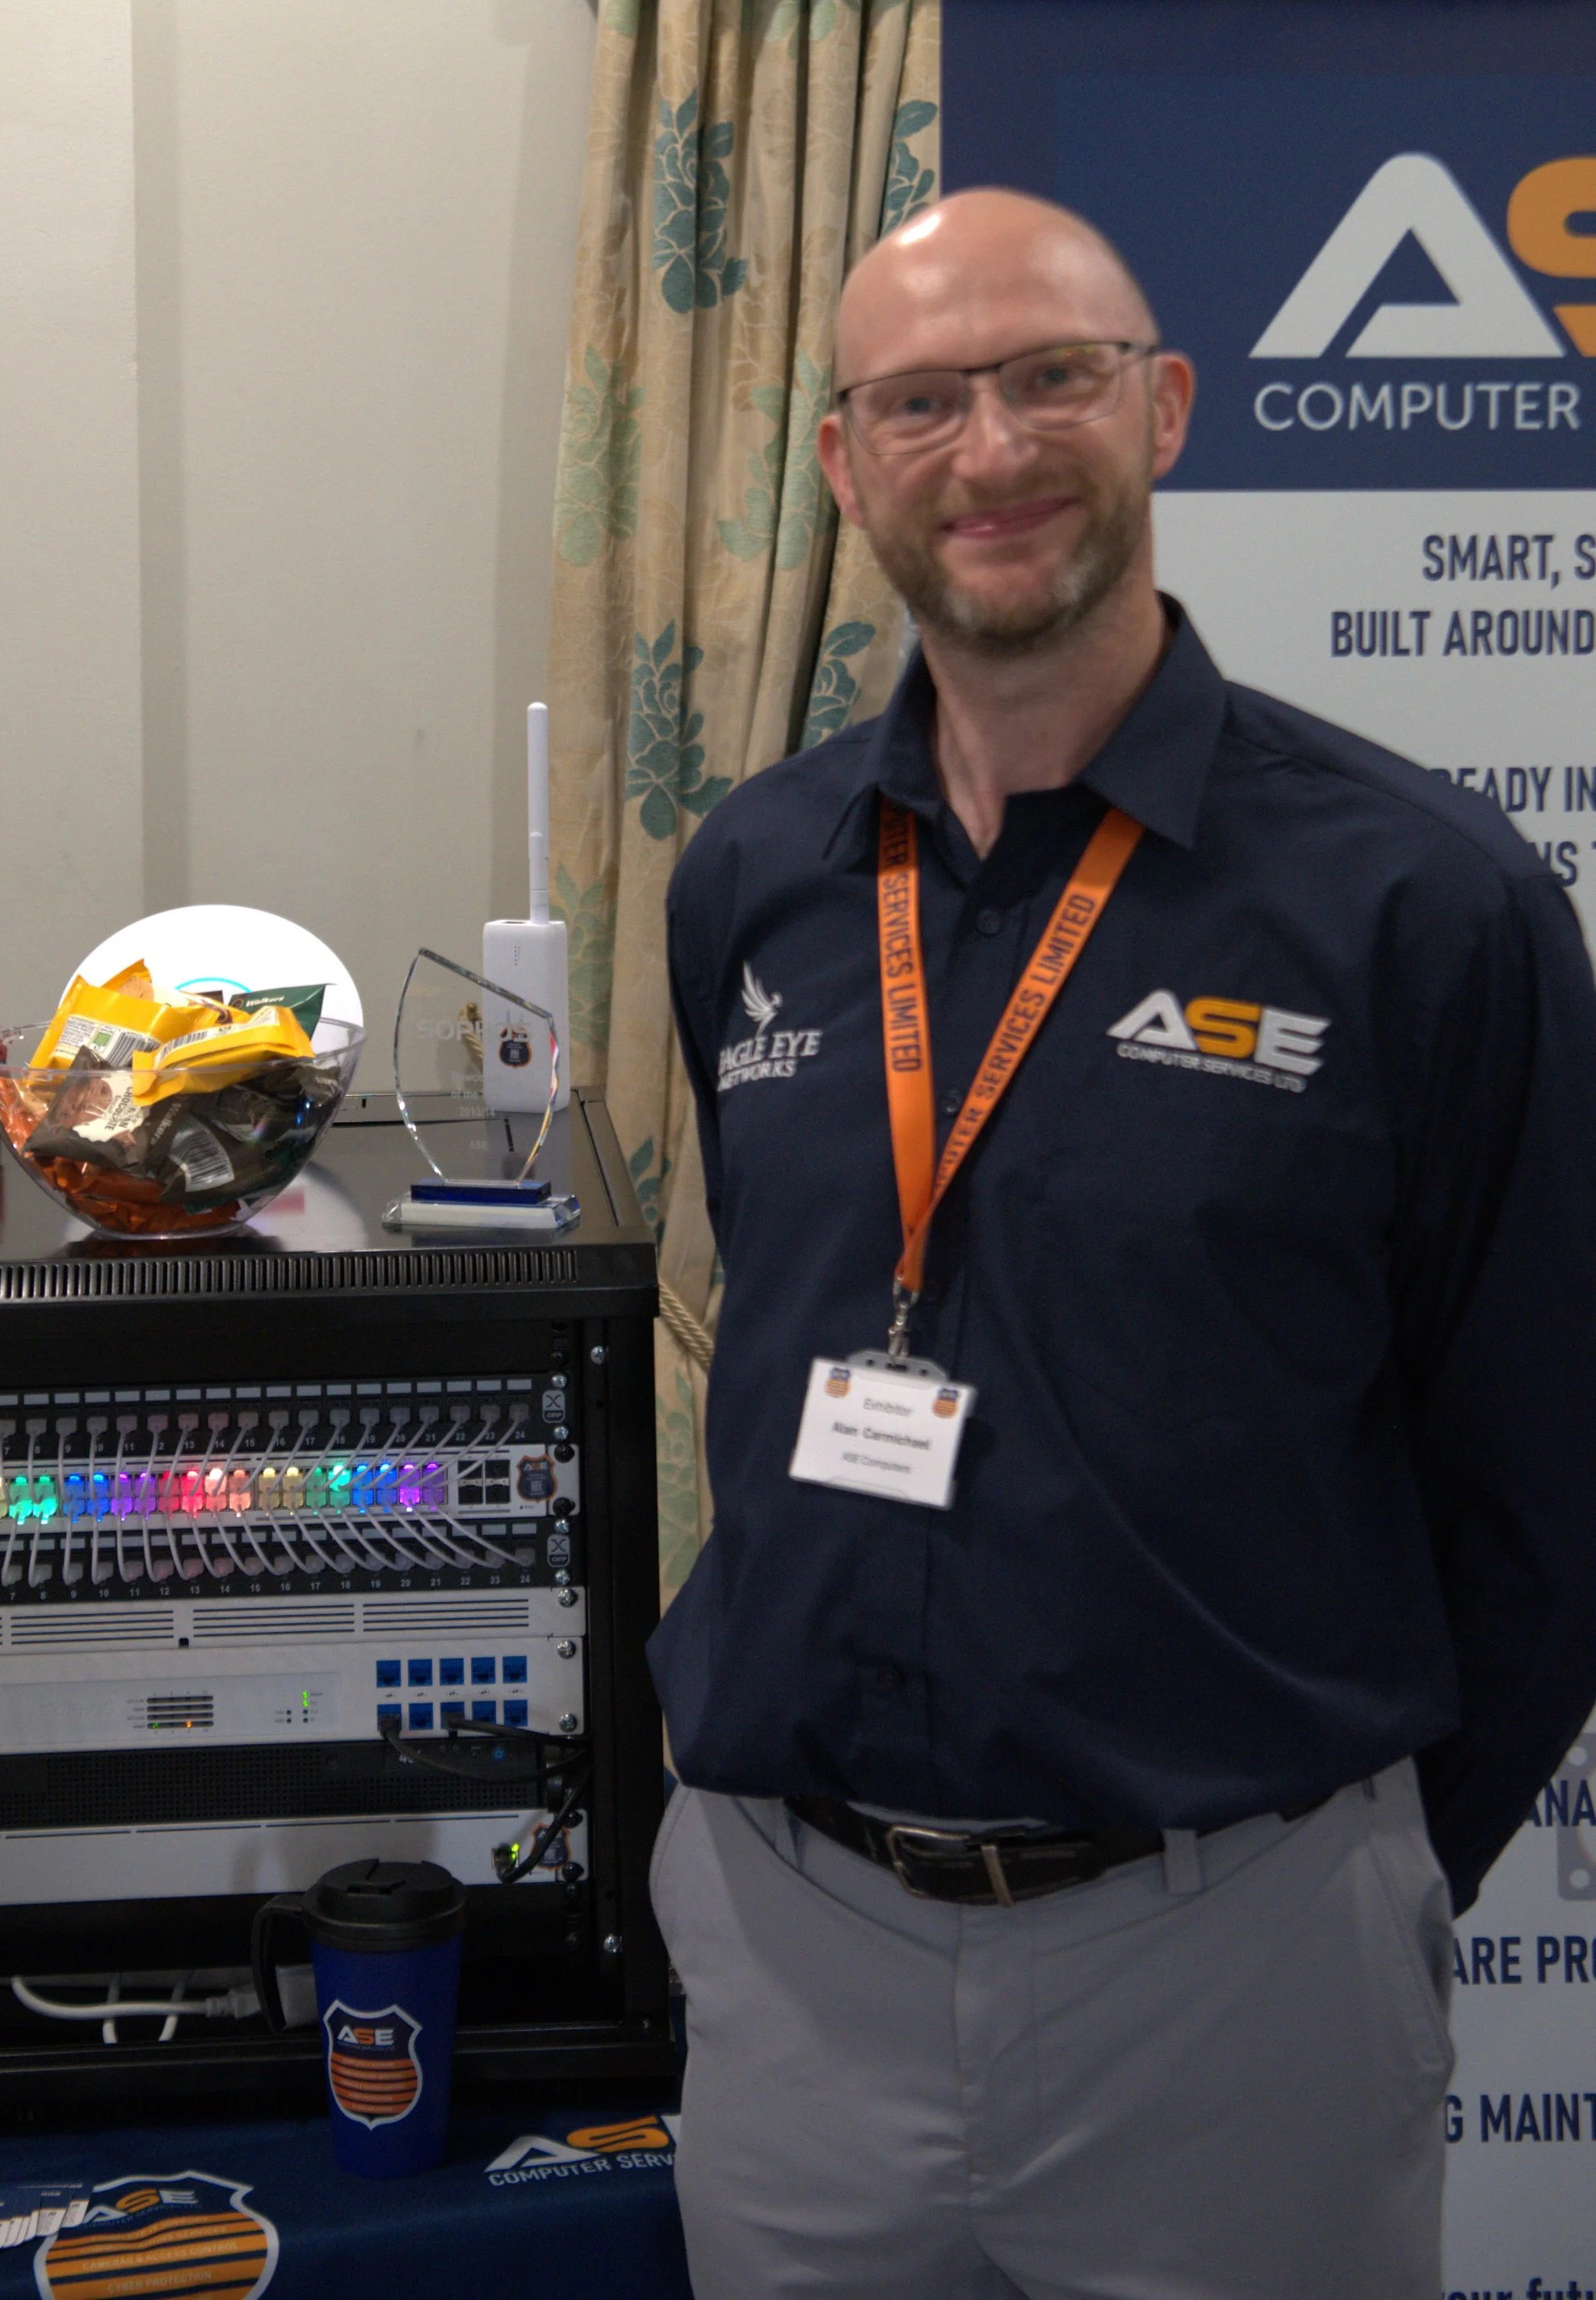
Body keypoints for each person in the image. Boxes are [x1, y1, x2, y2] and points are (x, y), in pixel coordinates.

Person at [648, 187, 1596, 2300]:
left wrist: (1328, 1875)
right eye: (920, 401)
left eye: (1049, 378)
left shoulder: (1425, 907)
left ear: (1162, 408)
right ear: (842, 464)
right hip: (798, 1968)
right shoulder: (753, 877)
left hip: (1234, 1979)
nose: (988, 449)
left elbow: (1546, 1495)